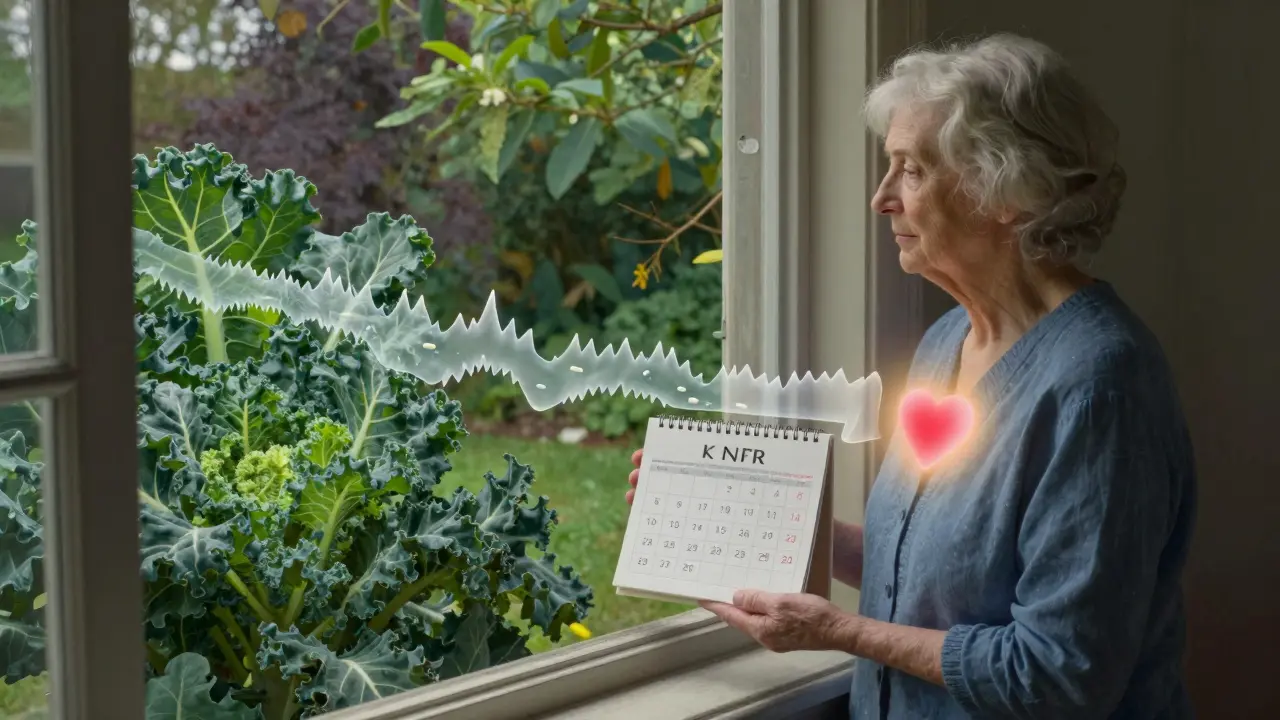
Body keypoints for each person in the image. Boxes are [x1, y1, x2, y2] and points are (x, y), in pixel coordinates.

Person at [625, 34, 1196, 719]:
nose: (881, 199)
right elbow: (940, 578)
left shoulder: (1101, 388)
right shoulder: (946, 341)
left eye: (912, 170)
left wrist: (836, 631)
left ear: (1005, 193)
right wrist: (759, 521)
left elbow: (1058, 675)